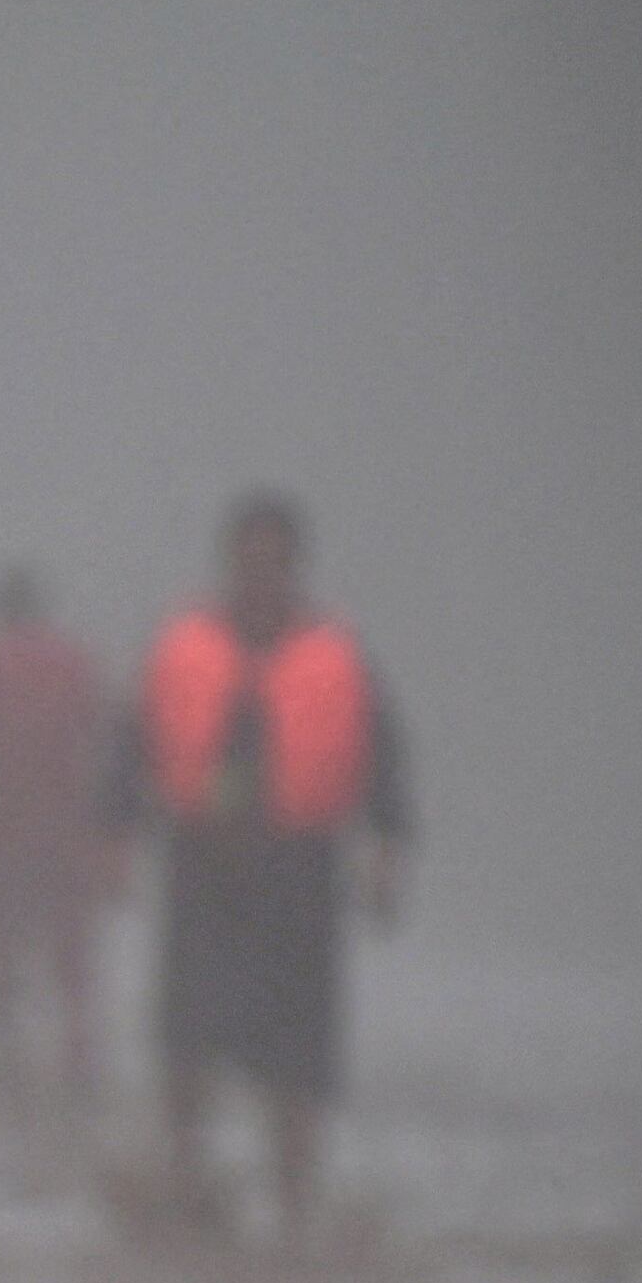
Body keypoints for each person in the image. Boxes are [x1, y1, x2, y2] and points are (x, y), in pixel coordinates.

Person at [111, 490, 412, 1237]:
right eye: (248, 561)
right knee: (187, 1048)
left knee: (298, 1065)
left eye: (276, 562)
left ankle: (294, 1213)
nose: (261, 576)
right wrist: (113, 840)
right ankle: (185, 1191)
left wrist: (386, 854)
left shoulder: (338, 657)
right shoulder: (183, 650)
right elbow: (131, 744)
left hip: (301, 877)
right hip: (202, 869)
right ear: (228, 565)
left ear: (297, 568)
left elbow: (385, 763)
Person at [0, 562, 115, 1102]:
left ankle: (9, 1065)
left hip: (5, 828)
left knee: (6, 956)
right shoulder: (74, 662)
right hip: (67, 827)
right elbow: (105, 740)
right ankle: (78, 1063)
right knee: (72, 957)